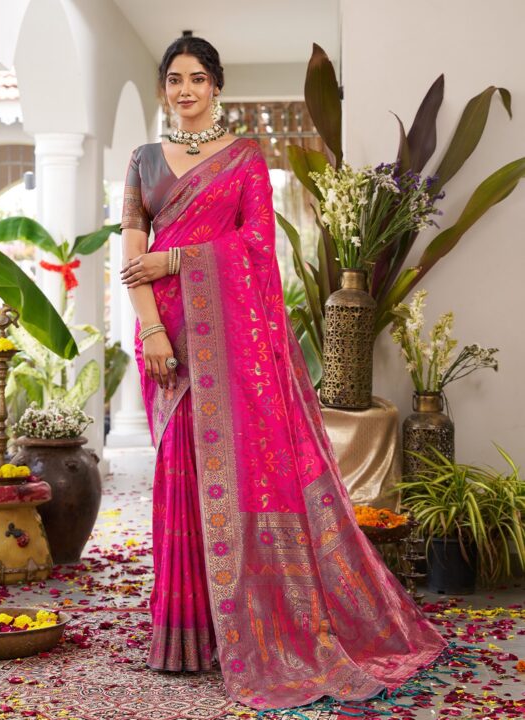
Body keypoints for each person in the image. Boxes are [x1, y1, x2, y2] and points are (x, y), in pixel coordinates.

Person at [120, 35, 448, 712]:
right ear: (163, 89)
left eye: (197, 78)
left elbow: (256, 245)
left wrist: (178, 260)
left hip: (230, 342)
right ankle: (185, 635)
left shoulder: (243, 158)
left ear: (216, 86)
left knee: (239, 472)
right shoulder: (144, 160)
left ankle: (248, 621)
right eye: (174, 79)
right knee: (180, 468)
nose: (185, 90)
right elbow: (132, 253)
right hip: (169, 336)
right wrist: (151, 328)